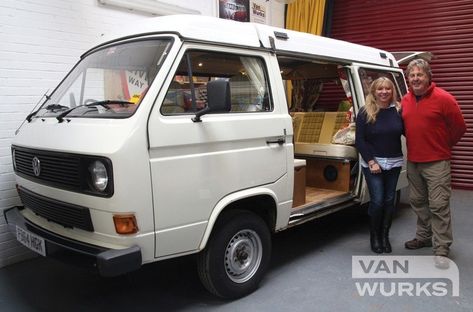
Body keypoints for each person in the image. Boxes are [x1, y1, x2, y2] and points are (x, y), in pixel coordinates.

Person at [401, 59, 466, 267]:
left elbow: (459, 127)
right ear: (408, 79)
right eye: (412, 75)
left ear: (428, 77)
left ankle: (441, 248)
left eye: (420, 75)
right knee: (418, 202)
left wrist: (443, 146)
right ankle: (423, 237)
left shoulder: (444, 98)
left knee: (439, 205)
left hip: (437, 162)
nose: (416, 78)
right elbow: (406, 128)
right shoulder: (405, 100)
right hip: (414, 161)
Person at [355, 77, 404, 254]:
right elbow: (359, 140)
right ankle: (374, 237)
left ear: (392, 92)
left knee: (389, 201)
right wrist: (371, 161)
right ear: (374, 91)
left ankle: (385, 236)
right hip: (373, 163)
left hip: (394, 162)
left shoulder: (398, 110)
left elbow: (410, 131)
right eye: (380, 89)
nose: (384, 92)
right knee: (377, 201)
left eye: (388, 89)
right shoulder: (365, 112)